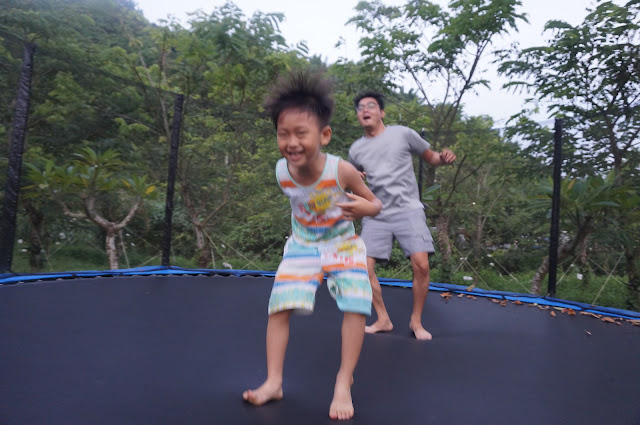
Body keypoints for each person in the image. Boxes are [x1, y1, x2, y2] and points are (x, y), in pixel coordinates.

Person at [242, 72, 382, 421]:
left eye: (301, 133)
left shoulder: (341, 170)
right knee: (278, 308)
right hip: (302, 245)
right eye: (283, 134)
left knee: (355, 304)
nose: (292, 142)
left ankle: (343, 381)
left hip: (343, 245)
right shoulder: (282, 172)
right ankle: (274, 382)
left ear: (324, 135)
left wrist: (364, 209)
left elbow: (375, 204)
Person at [348, 91, 456, 341]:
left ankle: (416, 321)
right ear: (358, 116)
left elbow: (431, 157)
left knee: (422, 265)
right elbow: (352, 179)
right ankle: (383, 319)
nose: (365, 110)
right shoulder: (356, 149)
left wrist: (444, 158)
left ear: (382, 112)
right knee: (363, 268)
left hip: (408, 209)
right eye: (361, 107)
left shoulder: (403, 133)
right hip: (376, 212)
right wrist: (356, 178)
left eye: (371, 106)